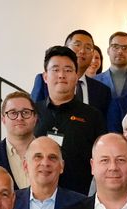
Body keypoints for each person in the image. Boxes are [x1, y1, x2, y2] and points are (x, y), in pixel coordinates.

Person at [34, 45, 107, 196]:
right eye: (55, 69)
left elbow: (102, 159)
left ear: (76, 76)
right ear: (45, 76)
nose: (61, 75)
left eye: (68, 70)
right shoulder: (32, 112)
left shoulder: (92, 116)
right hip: (37, 197)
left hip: (79, 198)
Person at [10, 137, 85, 209]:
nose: (45, 163)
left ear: (62, 166)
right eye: (38, 157)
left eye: (52, 157)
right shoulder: (10, 202)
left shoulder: (81, 205)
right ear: (25, 165)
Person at [31, 31, 112, 117]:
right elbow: (33, 114)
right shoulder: (44, 80)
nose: (82, 51)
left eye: (88, 48)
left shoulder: (102, 90)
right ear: (66, 48)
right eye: (77, 45)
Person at [95, 32, 127, 99]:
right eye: (115, 47)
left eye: (125, 48)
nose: (120, 51)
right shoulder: (95, 81)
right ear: (108, 51)